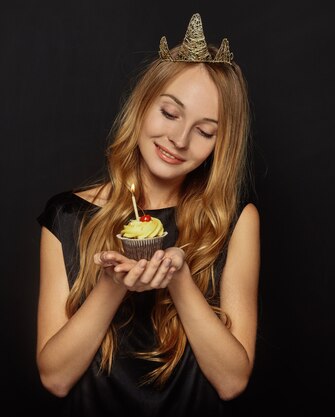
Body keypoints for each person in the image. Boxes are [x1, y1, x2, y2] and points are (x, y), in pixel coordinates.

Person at [35, 12, 260, 416]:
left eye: (205, 131)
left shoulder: (234, 221)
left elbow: (232, 382)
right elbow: (55, 378)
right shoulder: (67, 215)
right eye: (170, 113)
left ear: (220, 144)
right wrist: (111, 285)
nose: (179, 139)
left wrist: (179, 280)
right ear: (143, 104)